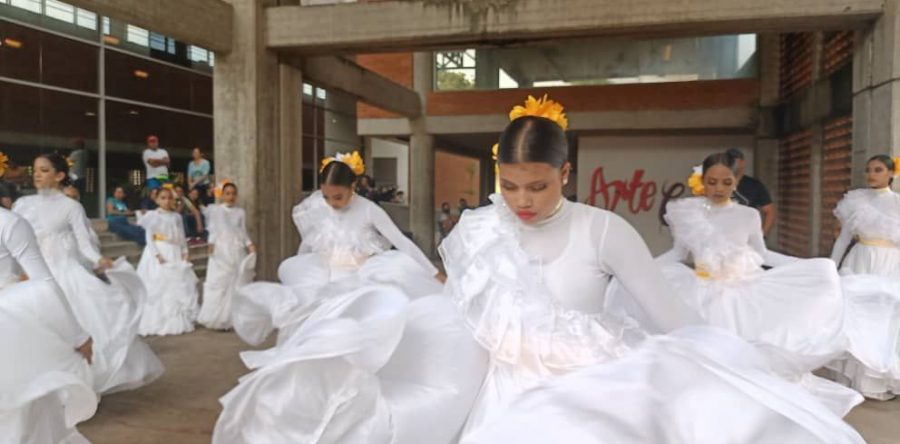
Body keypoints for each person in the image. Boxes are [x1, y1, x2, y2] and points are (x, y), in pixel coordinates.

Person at [212, 153, 484, 444]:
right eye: (326, 197)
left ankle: (354, 415)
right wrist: (302, 274)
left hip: (360, 284)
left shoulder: (368, 210)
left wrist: (434, 273)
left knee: (356, 346)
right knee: (314, 346)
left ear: (353, 187)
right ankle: (309, 413)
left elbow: (402, 242)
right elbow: (308, 246)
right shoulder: (319, 210)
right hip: (326, 282)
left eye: (338, 197)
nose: (332, 203)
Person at [648, 152, 850, 386]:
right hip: (700, 291)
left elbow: (762, 254)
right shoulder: (687, 214)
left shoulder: (748, 215)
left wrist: (805, 265)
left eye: (726, 182)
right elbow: (677, 254)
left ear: (736, 182)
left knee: (741, 356)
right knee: (702, 356)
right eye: (712, 182)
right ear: (702, 181)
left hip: (742, 291)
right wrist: (640, 268)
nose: (719, 188)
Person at [13, 153, 164, 395]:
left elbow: (84, 244)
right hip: (33, 276)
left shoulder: (70, 206)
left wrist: (99, 260)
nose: (37, 175)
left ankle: (77, 383)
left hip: (66, 274)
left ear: (59, 175)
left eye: (44, 170)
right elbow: (18, 243)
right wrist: (18, 271)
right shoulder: (23, 204)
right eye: (36, 169)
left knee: (76, 324)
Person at [0, 208, 98, 442]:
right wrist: (78, 335)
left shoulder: (8, 223)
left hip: (9, 321)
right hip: (10, 323)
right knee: (23, 410)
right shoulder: (8, 222)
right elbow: (44, 281)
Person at [827, 154, 900, 400]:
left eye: (878, 170)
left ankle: (878, 381)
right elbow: (843, 239)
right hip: (859, 261)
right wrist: (831, 267)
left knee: (886, 320)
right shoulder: (856, 200)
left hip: (890, 265)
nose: (871, 174)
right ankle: (855, 380)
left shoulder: (898, 203)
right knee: (857, 318)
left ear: (891, 173)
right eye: (868, 170)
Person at [136, 186, 199, 336]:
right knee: (160, 284)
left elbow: (181, 236)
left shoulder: (176, 216)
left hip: (174, 251)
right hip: (160, 250)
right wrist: (157, 254)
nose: (166, 201)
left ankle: (178, 318)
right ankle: (158, 320)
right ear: (156, 200)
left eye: (169, 198)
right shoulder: (153, 215)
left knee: (178, 284)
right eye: (163, 198)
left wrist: (185, 251)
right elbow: (149, 237)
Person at [198, 182, 256, 330]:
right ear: (222, 195)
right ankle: (217, 317)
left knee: (237, 281)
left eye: (233, 193)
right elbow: (213, 230)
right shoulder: (216, 210)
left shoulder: (240, 212)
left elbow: (242, 231)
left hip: (236, 249)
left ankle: (234, 317)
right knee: (220, 281)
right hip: (221, 249)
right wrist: (211, 245)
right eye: (227, 193)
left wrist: (249, 244)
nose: (231, 196)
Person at [727, 148, 777, 236]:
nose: (732, 164)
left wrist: (761, 236)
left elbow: (770, 211)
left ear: (743, 163)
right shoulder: (716, 184)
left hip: (747, 237)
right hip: (722, 236)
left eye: (735, 160)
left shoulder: (754, 185)